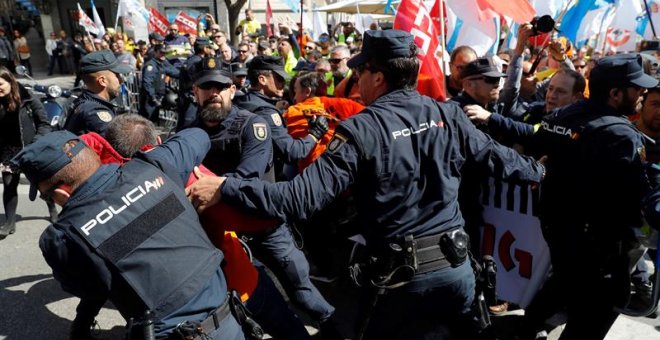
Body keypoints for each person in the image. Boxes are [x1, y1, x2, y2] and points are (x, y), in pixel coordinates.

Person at [187, 30, 546, 340]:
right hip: (456, 273)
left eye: (360, 70)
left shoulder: (362, 129)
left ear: (378, 75)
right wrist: (542, 172)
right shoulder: (446, 114)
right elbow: (504, 161)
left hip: (403, 283)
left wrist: (225, 187)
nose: (356, 79)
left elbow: (298, 198)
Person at [11, 128, 244, 339]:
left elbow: (89, 289)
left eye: (47, 196)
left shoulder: (62, 238)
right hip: (230, 322)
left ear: (61, 193)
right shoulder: (154, 165)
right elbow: (197, 135)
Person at [191, 56, 340, 338]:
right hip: (220, 234)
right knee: (236, 306)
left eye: (220, 87)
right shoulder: (189, 131)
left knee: (303, 291)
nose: (213, 93)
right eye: (206, 87)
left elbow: (249, 174)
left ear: (232, 91)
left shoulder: (252, 125)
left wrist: (211, 187)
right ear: (195, 91)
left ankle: (333, 333)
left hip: (265, 226)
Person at [521, 54, 658, 340]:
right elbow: (636, 200)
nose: (642, 93)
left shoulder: (562, 116)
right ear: (615, 93)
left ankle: (525, 329)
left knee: (561, 288)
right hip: (599, 251)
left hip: (559, 235)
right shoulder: (620, 134)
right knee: (596, 311)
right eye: (636, 88)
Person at [234, 55, 329, 178]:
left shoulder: (242, 100)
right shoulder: (266, 112)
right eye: (279, 78)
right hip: (259, 182)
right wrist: (314, 134)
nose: (283, 84)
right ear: (262, 80)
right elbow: (292, 152)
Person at [0, 67, 54, 239]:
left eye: (0, 84)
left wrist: (35, 144)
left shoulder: (29, 99)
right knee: (9, 184)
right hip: (9, 150)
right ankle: (9, 222)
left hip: (30, 148)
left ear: (10, 81)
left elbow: (44, 124)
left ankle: (52, 208)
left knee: (41, 183)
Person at [64, 50, 131, 136]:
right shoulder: (95, 114)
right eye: (117, 75)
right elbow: (118, 146)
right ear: (102, 81)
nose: (121, 81)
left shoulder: (85, 100)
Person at [139, 44, 180, 122]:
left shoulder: (163, 63)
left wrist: (186, 72)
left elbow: (174, 72)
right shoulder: (151, 65)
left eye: (165, 53)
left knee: (154, 121)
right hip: (150, 98)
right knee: (146, 121)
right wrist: (153, 98)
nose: (163, 55)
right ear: (155, 52)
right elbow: (147, 82)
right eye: (161, 52)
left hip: (158, 96)